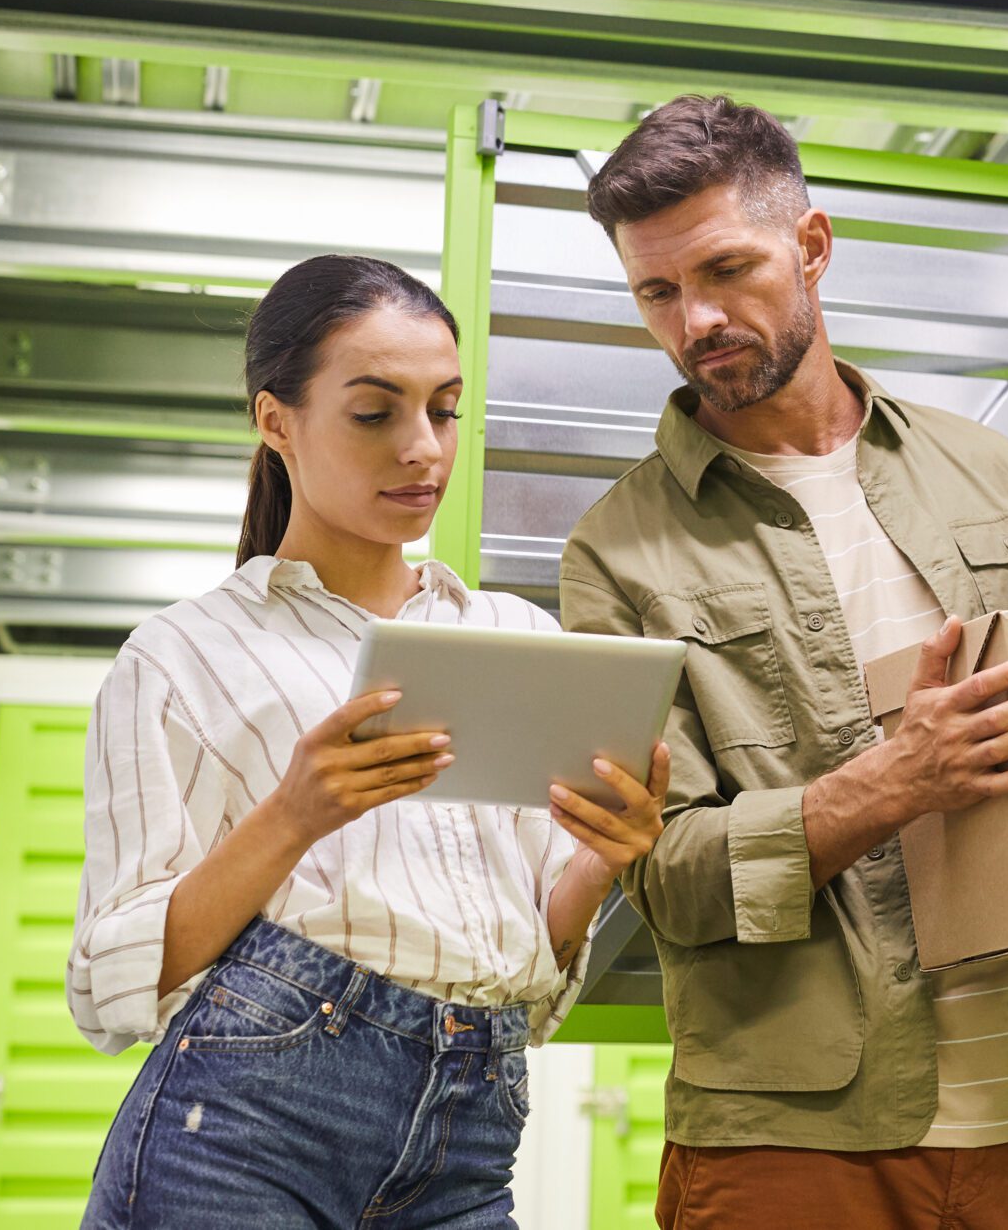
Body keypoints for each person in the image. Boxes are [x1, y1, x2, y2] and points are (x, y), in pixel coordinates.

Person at [555, 96, 1008, 1230]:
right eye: (658, 292)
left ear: (810, 247)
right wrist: (892, 783)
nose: (696, 318)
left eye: (726, 269)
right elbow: (664, 878)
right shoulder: (615, 553)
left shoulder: (985, 471)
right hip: (793, 1138)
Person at [69, 254, 670, 1229]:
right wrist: (296, 813)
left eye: (444, 409)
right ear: (276, 423)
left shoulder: (519, 639)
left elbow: (534, 969)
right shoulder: (184, 656)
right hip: (246, 1127)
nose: (422, 448)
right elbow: (109, 986)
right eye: (374, 411)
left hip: (471, 1126)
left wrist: (598, 863)